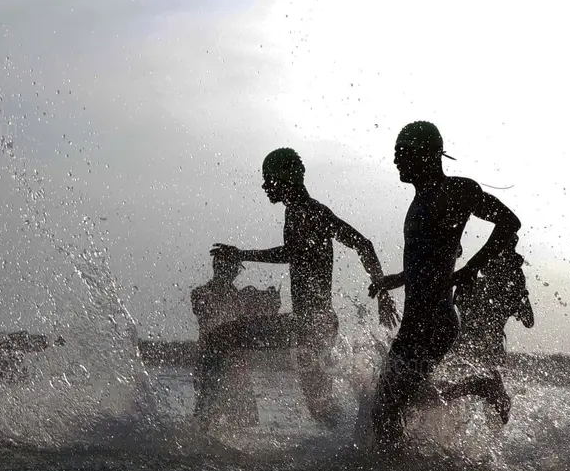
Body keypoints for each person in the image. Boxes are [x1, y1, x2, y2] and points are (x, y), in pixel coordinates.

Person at [201, 148, 399, 425]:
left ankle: (202, 423)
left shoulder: (303, 210)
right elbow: (363, 244)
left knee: (217, 339)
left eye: (268, 178)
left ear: (284, 179)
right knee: (321, 410)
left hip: (310, 322)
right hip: (317, 323)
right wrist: (382, 292)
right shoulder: (313, 210)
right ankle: (361, 437)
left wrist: (241, 254)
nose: (264, 185)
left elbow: (290, 253)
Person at [367, 121, 521, 448]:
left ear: (427, 155)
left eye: (402, 153)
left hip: (433, 321)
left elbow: (509, 222)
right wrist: (397, 279)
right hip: (418, 322)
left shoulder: (455, 190)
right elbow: (429, 262)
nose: (396, 161)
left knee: (385, 410)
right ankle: (479, 387)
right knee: (403, 402)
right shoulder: (420, 199)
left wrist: (470, 268)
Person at [438, 241, 533, 423]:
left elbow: (528, 321)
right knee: (464, 394)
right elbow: (528, 320)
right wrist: (521, 292)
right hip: (468, 352)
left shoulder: (506, 294)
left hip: (482, 354)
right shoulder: (488, 289)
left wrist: (522, 292)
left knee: (498, 403)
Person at [190, 254, 281, 424]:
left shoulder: (237, 296)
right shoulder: (202, 294)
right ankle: (200, 448)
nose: (235, 273)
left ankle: (218, 449)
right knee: (207, 418)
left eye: (236, 270)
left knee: (243, 421)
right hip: (213, 364)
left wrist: (272, 303)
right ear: (220, 268)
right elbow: (206, 311)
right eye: (234, 269)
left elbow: (265, 314)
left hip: (235, 366)